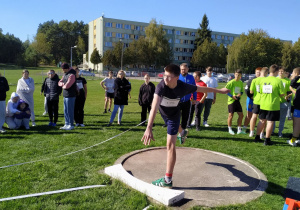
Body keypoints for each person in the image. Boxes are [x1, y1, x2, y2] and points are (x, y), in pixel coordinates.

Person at [141, 64, 230, 188]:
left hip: (173, 116)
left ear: (177, 77)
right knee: (174, 127)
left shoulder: (183, 87)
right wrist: (149, 127)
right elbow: (154, 106)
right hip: (163, 113)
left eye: (168, 77)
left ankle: (167, 180)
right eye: (164, 75)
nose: (165, 79)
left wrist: (220, 91)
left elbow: (202, 89)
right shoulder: (161, 86)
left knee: (170, 145)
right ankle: (183, 133)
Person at [255, 64, 285, 145]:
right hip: (273, 104)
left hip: (263, 103)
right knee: (270, 122)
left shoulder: (262, 80)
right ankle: (267, 140)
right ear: (276, 71)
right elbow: (282, 94)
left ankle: (257, 136)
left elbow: (260, 91)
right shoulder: (278, 81)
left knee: (261, 120)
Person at [178, 63, 196, 141]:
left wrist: (194, 98)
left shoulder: (191, 78)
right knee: (177, 117)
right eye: (182, 69)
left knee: (185, 118)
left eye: (184, 69)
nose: (183, 71)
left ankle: (183, 132)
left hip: (187, 101)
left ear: (188, 69)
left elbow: (194, 89)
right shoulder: (177, 77)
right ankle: (177, 131)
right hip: (178, 102)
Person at [249, 67, 268, 138]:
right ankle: (261, 133)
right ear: (266, 73)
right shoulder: (267, 80)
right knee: (263, 119)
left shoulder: (255, 80)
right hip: (264, 101)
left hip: (256, 100)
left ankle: (251, 131)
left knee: (254, 116)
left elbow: (251, 91)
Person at [272, 67, 291, 137]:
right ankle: (272, 131)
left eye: (282, 71)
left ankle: (280, 132)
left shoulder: (288, 81)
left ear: (285, 72)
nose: (281, 72)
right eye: (279, 71)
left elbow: (290, 91)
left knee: (282, 118)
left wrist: (288, 96)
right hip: (275, 101)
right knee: (273, 118)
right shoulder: (275, 79)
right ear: (277, 72)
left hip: (284, 102)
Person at [225, 69, 245, 135]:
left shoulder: (241, 82)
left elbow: (241, 91)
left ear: (240, 76)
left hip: (237, 101)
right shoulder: (231, 82)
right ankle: (230, 129)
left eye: (238, 75)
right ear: (234, 74)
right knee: (231, 115)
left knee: (241, 115)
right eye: (236, 74)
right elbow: (225, 90)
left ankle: (239, 129)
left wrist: (240, 94)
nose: (237, 76)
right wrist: (231, 96)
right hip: (231, 101)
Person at [58, 63, 77, 130]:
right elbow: (59, 82)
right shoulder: (65, 74)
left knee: (70, 111)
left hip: (71, 95)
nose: (62, 70)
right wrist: (63, 84)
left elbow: (67, 86)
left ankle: (71, 125)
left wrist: (63, 85)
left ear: (67, 68)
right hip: (65, 95)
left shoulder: (72, 75)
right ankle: (66, 124)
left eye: (63, 69)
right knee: (65, 110)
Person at [243, 68, 261, 132]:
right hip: (251, 100)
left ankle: (253, 129)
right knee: (249, 114)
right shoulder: (251, 80)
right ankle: (244, 128)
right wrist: (251, 96)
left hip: (259, 101)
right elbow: (246, 90)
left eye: (260, 72)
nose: (258, 74)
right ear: (255, 73)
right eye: (257, 72)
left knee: (256, 115)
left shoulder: (262, 80)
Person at [287, 67, 300, 146]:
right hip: (297, 105)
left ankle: (292, 141)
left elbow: (292, 84)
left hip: (299, 106)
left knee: (297, 124)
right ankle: (298, 139)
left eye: (293, 73)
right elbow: (293, 84)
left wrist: (298, 76)